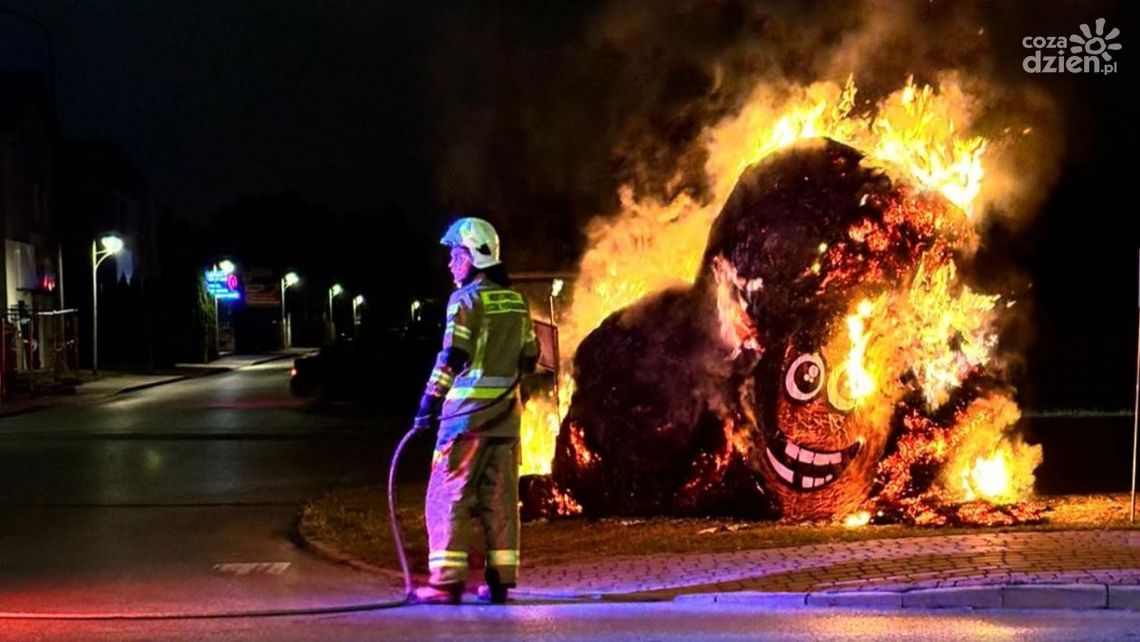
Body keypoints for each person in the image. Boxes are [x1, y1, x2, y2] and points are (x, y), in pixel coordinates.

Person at [412, 217, 538, 605]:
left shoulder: (464, 301)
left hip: (464, 418)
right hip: (506, 420)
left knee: (447, 494)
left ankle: (446, 582)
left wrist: (427, 403)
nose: (451, 264)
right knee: (499, 499)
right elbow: (531, 358)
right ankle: (500, 582)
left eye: (456, 255)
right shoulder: (518, 302)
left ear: (474, 256)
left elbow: (454, 356)